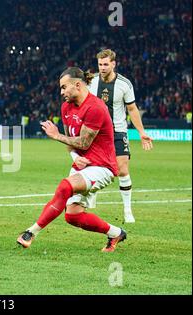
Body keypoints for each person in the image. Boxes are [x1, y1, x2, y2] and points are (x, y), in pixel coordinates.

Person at [17, 67, 127, 253]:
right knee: (73, 216)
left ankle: (31, 232)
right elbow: (72, 142)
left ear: (77, 84)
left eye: (63, 87)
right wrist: (75, 156)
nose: (61, 92)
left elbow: (83, 142)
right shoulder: (66, 107)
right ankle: (116, 233)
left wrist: (56, 135)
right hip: (81, 164)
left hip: (102, 166)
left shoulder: (96, 107)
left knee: (65, 186)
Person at [89, 49, 153, 223]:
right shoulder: (92, 82)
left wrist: (141, 132)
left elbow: (132, 109)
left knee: (122, 169)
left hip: (117, 130)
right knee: (93, 166)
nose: (102, 68)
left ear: (113, 64)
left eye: (105, 64)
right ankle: (92, 193)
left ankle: (127, 210)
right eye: (100, 64)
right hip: (96, 131)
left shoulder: (125, 84)